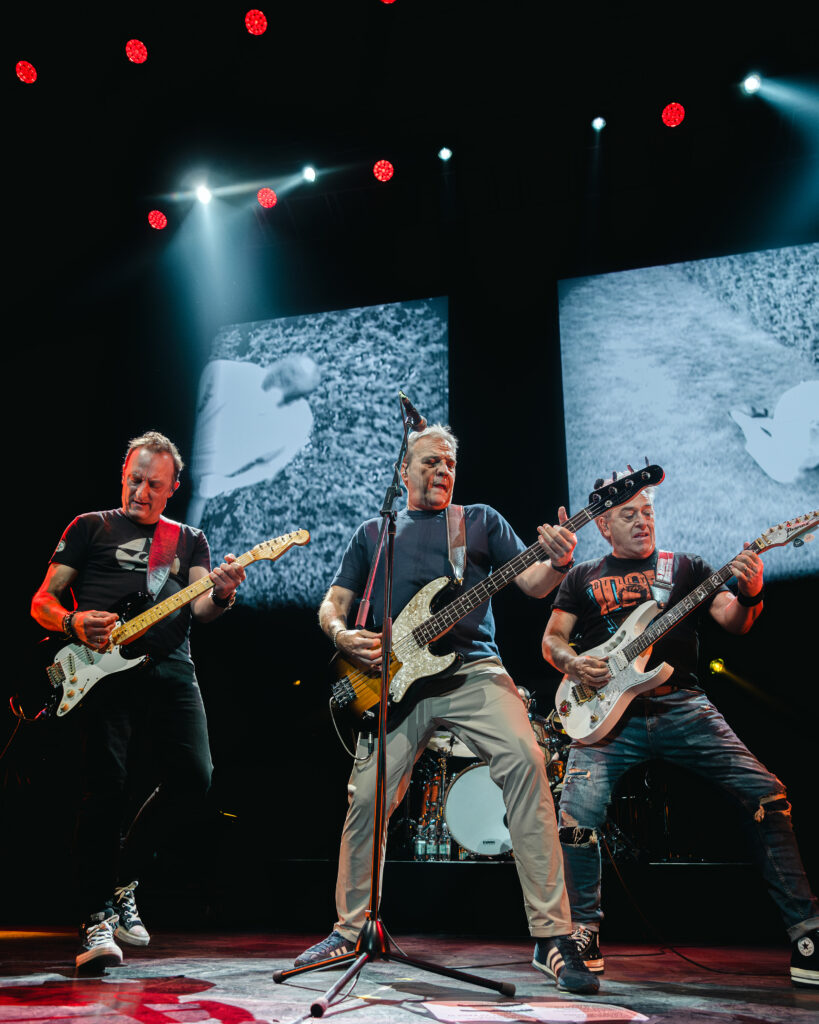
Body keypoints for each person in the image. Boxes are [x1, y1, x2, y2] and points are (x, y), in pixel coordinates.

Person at [295, 424, 598, 994]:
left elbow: (533, 582)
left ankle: (552, 937)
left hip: (473, 670)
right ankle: (349, 931)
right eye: (431, 462)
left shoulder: (478, 520)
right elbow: (333, 603)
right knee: (367, 798)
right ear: (403, 470)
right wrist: (341, 634)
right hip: (392, 682)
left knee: (527, 762)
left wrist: (558, 561)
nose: (442, 471)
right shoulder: (374, 532)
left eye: (450, 464)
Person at [541, 478, 819, 988]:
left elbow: (734, 621)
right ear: (603, 525)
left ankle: (807, 935)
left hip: (682, 705)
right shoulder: (581, 576)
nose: (642, 521)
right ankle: (582, 933)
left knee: (767, 793)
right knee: (576, 814)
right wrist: (573, 663)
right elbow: (552, 639)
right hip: (605, 717)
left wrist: (751, 592)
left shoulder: (685, 567)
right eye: (628, 514)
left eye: (647, 512)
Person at [30, 431, 246, 970]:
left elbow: (202, 610)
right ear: (123, 475)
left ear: (173, 487)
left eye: (153, 484)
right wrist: (73, 621)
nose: (141, 492)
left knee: (195, 778)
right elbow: (42, 601)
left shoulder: (187, 539)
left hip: (172, 668)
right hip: (101, 670)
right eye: (134, 480)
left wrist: (222, 592)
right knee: (104, 787)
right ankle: (95, 920)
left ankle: (122, 876)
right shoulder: (89, 526)